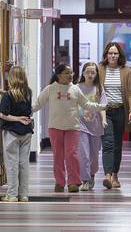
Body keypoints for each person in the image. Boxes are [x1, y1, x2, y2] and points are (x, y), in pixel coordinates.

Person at [32, 64, 106, 193]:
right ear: (59, 75)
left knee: (72, 155)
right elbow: (38, 104)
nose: (71, 75)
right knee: (58, 156)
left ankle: (73, 182)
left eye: (72, 73)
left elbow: (86, 104)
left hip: (73, 127)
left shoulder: (75, 89)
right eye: (67, 73)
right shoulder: (50, 89)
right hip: (55, 127)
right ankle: (60, 182)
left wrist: (100, 107)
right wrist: (24, 112)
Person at [98, 42, 131, 189]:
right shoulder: (100, 69)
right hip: (105, 111)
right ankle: (107, 175)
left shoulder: (126, 71)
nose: (112, 56)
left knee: (117, 145)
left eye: (115, 53)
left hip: (120, 111)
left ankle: (115, 175)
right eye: (110, 53)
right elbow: (95, 89)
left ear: (119, 55)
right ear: (106, 55)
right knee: (107, 143)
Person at [0, 66, 33, 202]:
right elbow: (27, 111)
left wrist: (17, 118)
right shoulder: (28, 92)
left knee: (12, 164)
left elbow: (3, 115)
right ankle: (23, 194)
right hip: (26, 132)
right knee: (24, 163)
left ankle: (12, 195)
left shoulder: (8, 95)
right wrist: (21, 118)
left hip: (12, 132)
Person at [77, 62, 108, 191]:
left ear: (96, 74)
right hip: (80, 124)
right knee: (83, 153)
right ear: (83, 73)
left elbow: (102, 106)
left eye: (93, 72)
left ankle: (92, 175)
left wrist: (104, 120)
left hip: (95, 126)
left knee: (94, 155)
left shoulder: (99, 88)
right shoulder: (76, 88)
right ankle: (85, 180)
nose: (90, 75)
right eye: (87, 72)